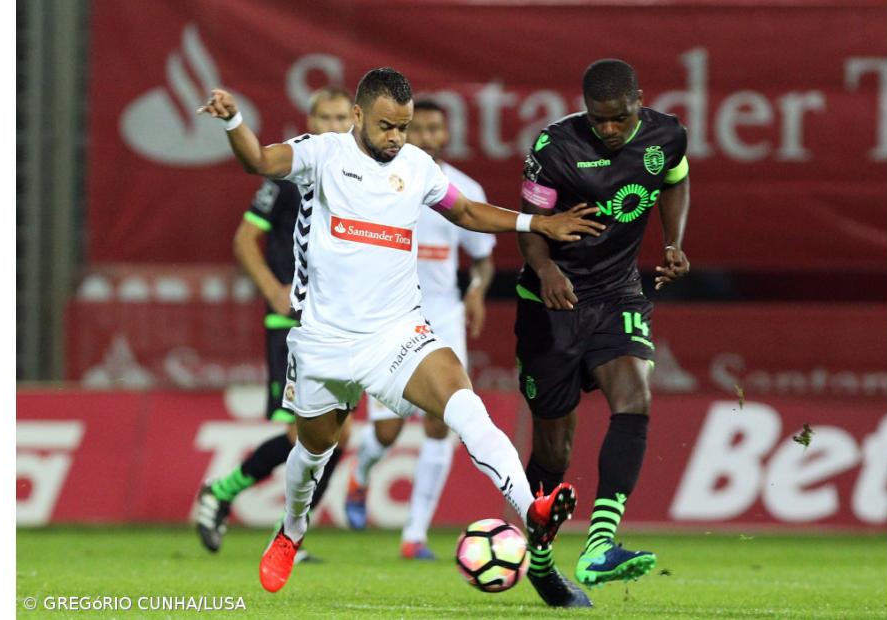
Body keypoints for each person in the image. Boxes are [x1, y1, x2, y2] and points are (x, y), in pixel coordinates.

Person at [197, 67, 604, 595]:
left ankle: (532, 507)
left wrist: (535, 223)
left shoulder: (415, 167)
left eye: (404, 128)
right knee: (312, 451)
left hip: (396, 333)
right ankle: (290, 532)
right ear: (360, 116)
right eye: (387, 126)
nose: (396, 138)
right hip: (324, 340)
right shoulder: (320, 155)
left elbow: (467, 211)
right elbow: (258, 160)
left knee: (462, 400)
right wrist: (234, 122)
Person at [515, 58, 691, 606]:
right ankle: (541, 561)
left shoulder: (667, 136)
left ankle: (599, 544)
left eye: (619, 118)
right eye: (599, 119)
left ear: (639, 100)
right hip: (553, 302)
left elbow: (675, 181)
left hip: (618, 295)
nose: (609, 129)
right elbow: (529, 225)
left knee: (634, 399)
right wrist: (546, 270)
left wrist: (672, 243)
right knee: (554, 451)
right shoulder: (554, 147)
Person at [195, 87, 355, 560]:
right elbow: (246, 238)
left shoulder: (356, 177)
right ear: (310, 119)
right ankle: (229, 496)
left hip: (338, 320)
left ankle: (260, 515)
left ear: (355, 119)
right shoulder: (290, 172)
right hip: (292, 319)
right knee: (300, 434)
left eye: (341, 116)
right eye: (323, 116)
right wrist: (272, 289)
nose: (332, 125)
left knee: (337, 438)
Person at [344, 100, 496, 561]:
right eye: (420, 128)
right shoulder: (381, 181)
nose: (428, 136)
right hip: (392, 318)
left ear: (446, 135)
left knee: (441, 423)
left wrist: (476, 291)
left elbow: (483, 257)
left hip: (445, 317)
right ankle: (361, 473)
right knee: (387, 431)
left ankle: (415, 534)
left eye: (436, 128)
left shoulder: (463, 189)